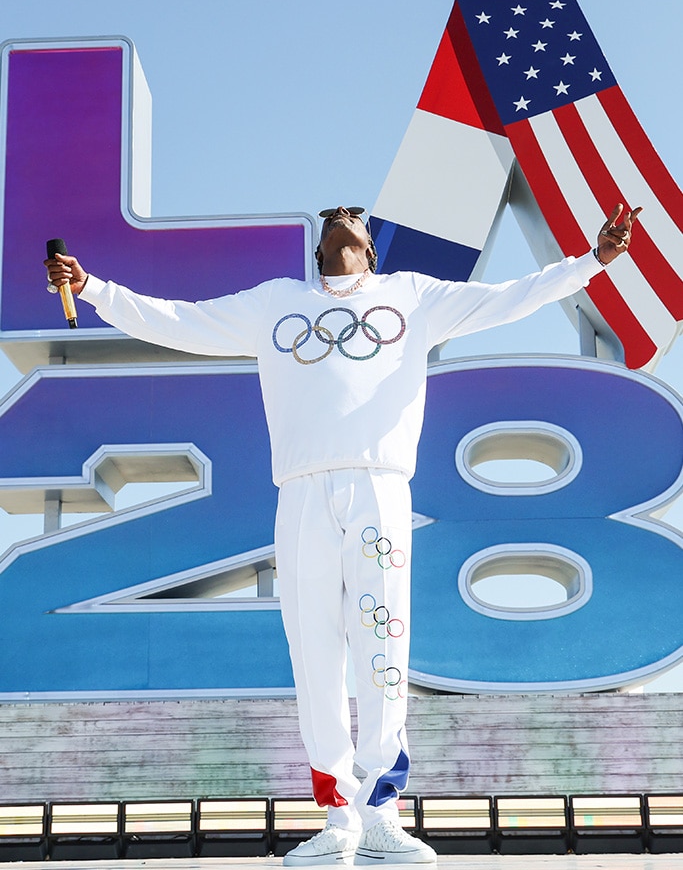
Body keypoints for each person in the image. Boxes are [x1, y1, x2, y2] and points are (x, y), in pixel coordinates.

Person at [45, 202, 640, 866]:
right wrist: (93, 287)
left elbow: (509, 298)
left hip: (378, 488)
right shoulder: (277, 304)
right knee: (314, 653)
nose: (341, 215)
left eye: (353, 215)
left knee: (382, 642)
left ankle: (381, 811)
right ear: (320, 247)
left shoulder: (411, 298)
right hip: (300, 494)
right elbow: (184, 320)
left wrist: (591, 262)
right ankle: (336, 819)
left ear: (368, 247)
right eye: (332, 214)